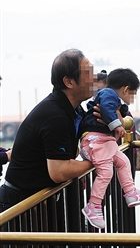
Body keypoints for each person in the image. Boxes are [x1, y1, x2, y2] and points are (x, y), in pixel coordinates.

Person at [0, 49, 95, 213]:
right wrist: (98, 162)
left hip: (40, 201)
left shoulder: (73, 110)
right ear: (69, 82)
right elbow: (59, 171)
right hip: (19, 205)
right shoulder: (54, 116)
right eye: (88, 72)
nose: (93, 78)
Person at [79, 68, 140, 229]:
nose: (132, 99)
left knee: (123, 161)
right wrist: (117, 125)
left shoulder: (114, 99)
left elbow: (124, 115)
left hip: (104, 142)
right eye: (132, 94)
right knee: (106, 171)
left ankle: (130, 192)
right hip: (95, 141)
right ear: (125, 89)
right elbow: (106, 109)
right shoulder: (108, 94)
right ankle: (93, 205)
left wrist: (121, 116)